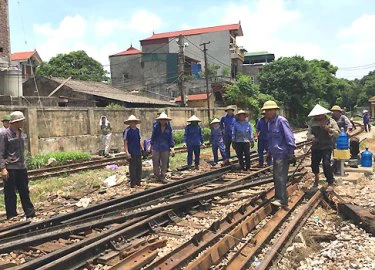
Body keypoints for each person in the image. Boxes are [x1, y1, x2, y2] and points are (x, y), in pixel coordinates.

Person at [0, 111, 35, 219]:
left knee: (24, 190)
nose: (23, 123)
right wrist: (3, 169)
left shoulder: (21, 132)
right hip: (10, 167)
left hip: (21, 167)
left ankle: (30, 213)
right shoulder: (4, 134)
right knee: (10, 193)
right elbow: (1, 152)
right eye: (21, 121)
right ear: (15, 122)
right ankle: (11, 215)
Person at [262, 100, 296, 208]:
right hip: (275, 154)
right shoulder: (269, 123)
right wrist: (269, 152)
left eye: (268, 110)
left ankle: (282, 199)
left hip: (282, 153)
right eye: (266, 110)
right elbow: (271, 140)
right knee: (276, 177)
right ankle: (279, 197)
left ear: (274, 110)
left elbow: (289, 137)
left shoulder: (281, 121)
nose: (266, 112)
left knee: (280, 177)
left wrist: (291, 153)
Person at [307, 105, 339, 187]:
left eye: (319, 115)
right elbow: (308, 133)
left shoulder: (331, 121)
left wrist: (328, 129)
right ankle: (316, 178)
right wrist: (312, 138)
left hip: (327, 146)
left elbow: (337, 133)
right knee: (314, 163)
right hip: (316, 146)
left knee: (326, 163)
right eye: (316, 115)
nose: (317, 117)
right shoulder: (312, 122)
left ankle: (330, 181)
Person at [151, 112, 175, 182]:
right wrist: (151, 145)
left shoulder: (168, 127)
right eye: (162, 120)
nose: (163, 121)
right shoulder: (156, 127)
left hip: (165, 147)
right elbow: (153, 136)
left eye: (164, 120)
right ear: (159, 120)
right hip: (156, 146)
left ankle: (163, 176)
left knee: (164, 162)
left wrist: (172, 147)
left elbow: (170, 137)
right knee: (155, 162)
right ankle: (156, 176)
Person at [123, 115, 143, 188]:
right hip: (131, 152)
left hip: (138, 151)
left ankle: (138, 182)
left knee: (139, 167)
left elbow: (139, 140)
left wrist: (142, 149)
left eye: (134, 122)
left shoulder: (137, 130)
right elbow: (125, 142)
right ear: (129, 123)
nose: (133, 123)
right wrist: (127, 152)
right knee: (132, 168)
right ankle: (133, 183)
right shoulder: (127, 131)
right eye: (131, 122)